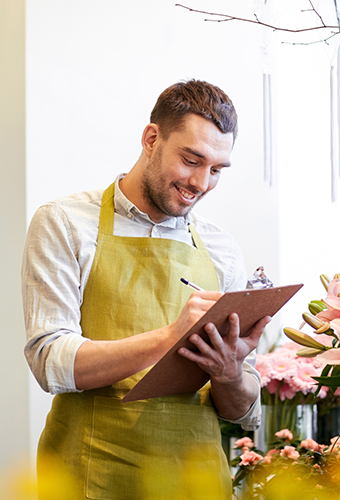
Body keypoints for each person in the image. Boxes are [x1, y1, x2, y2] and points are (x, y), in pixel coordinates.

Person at [22, 79, 271, 499]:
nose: (202, 183)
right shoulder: (64, 222)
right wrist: (170, 337)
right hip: (89, 476)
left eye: (216, 170)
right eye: (191, 160)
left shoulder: (222, 249)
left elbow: (241, 413)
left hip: (195, 481)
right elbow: (50, 361)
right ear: (151, 138)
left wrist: (229, 372)